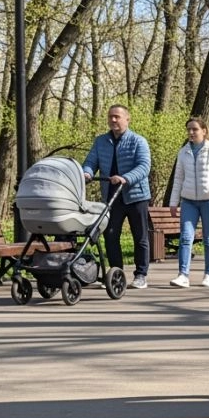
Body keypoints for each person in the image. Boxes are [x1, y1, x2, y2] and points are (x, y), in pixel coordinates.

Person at [82, 104, 152, 289]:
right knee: (110, 235)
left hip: (136, 196)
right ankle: (116, 274)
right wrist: (87, 173)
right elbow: (90, 162)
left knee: (140, 236)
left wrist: (125, 178)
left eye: (117, 117)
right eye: (111, 117)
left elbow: (144, 167)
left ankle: (141, 275)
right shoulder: (100, 141)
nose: (113, 120)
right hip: (112, 196)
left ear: (127, 119)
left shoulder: (138, 141)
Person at [167, 117, 209, 288]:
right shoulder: (183, 152)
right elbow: (178, 178)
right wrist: (173, 202)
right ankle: (183, 275)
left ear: (204, 131)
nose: (191, 133)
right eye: (189, 130)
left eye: (194, 129)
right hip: (189, 202)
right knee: (186, 237)